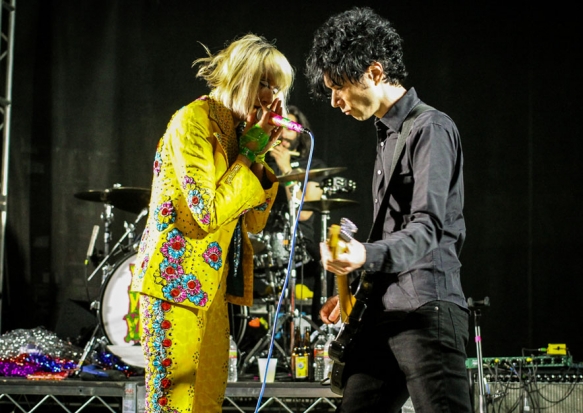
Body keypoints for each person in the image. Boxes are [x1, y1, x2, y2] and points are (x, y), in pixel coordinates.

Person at [306, 7, 472, 413]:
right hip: (386, 312)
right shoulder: (387, 138)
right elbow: (394, 236)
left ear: (375, 72)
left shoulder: (430, 128)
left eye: (339, 87)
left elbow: (429, 226)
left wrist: (364, 252)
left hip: (426, 311)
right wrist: (359, 275)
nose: (334, 101)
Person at [130, 34, 293, 412]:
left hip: (211, 289)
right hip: (172, 284)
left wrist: (256, 155)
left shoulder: (237, 135)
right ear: (238, 76)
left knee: (207, 402)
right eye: (264, 83)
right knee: (174, 405)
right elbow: (206, 212)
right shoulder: (193, 120)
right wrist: (250, 152)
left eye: (277, 87)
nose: (270, 97)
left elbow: (253, 221)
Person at [263, 105, 329, 326]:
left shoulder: (313, 167)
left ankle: (319, 326)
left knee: (325, 261)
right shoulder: (262, 165)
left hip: (300, 243)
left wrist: (286, 170)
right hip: (264, 240)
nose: (283, 133)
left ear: (299, 133)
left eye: (289, 127)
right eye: (279, 126)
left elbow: (305, 212)